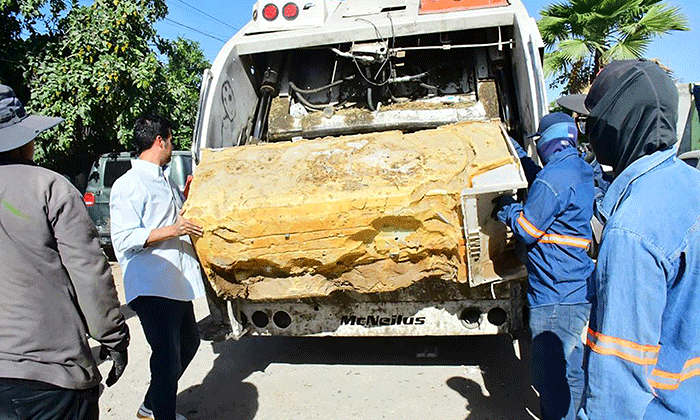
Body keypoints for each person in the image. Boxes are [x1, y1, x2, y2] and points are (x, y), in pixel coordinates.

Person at [558, 59, 700, 419]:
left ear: (613, 124)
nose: (586, 131)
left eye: (590, 120)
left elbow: (617, 382)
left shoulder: (631, 231)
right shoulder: (690, 185)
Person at [0, 84, 129, 419]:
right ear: (24, 139)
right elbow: (89, 274)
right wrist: (114, 338)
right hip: (47, 375)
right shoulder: (49, 187)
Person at [493, 112, 595, 420]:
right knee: (572, 368)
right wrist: (518, 153)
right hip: (575, 288)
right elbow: (543, 183)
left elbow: (526, 228)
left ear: (548, 141)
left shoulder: (554, 179)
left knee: (550, 375)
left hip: (555, 295)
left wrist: (506, 209)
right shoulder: (574, 168)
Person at [110, 115, 205, 420]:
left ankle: (151, 404)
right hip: (151, 284)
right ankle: (162, 413)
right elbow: (124, 239)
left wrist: (187, 195)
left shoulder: (165, 179)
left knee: (189, 343)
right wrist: (172, 230)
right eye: (171, 139)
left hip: (175, 283)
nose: (172, 145)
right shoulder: (128, 184)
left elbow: (176, 217)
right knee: (166, 359)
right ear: (160, 141)